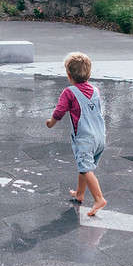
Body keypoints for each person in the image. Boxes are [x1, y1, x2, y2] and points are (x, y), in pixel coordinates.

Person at [46, 51, 107, 218]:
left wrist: (51, 123)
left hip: (85, 139)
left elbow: (59, 112)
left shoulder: (69, 92)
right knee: (84, 165)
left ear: (68, 74)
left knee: (86, 168)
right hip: (100, 138)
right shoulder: (95, 90)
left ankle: (99, 198)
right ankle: (80, 194)